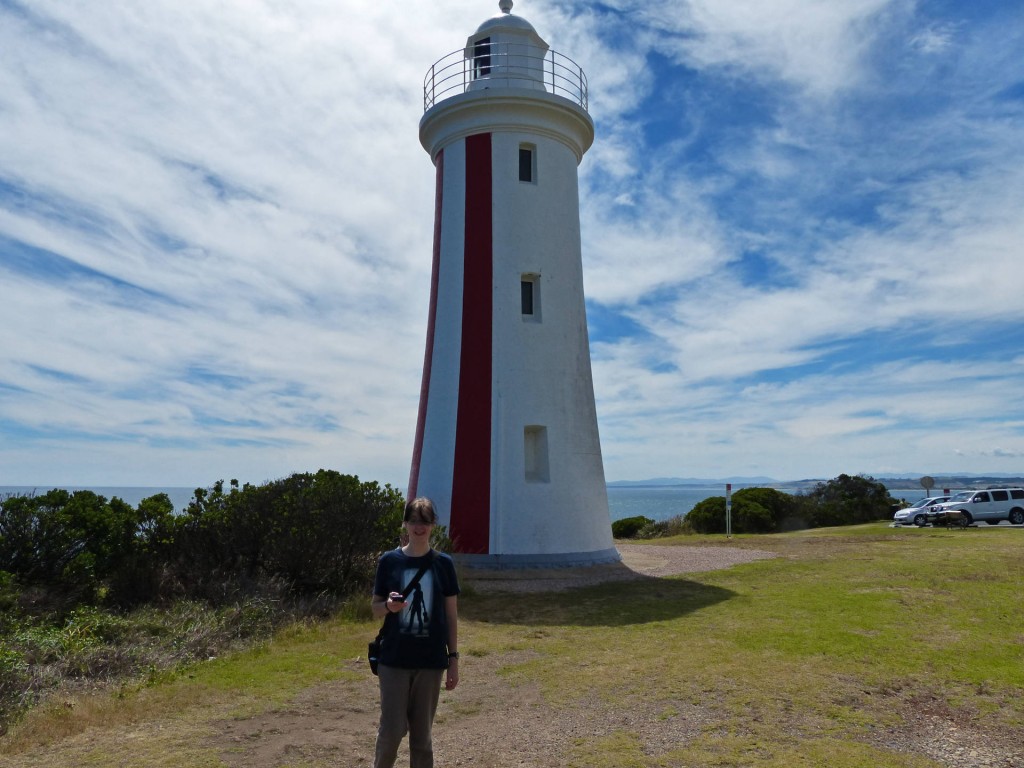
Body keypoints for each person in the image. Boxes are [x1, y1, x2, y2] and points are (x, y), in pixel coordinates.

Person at [371, 497, 460, 768]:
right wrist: (389, 606)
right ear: (405, 524)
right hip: (394, 659)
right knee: (392, 731)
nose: (418, 527)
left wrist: (453, 659)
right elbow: (375, 609)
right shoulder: (389, 561)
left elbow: (450, 616)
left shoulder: (443, 564)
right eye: (413, 521)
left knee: (422, 738)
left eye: (424, 521)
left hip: (430, 661)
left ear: (433, 525)